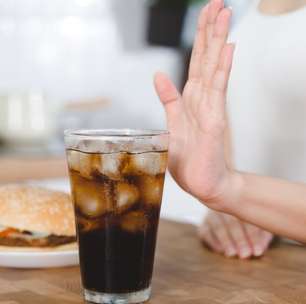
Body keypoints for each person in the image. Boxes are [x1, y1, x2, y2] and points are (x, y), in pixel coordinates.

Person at [154, 0, 306, 257]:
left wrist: (235, 192)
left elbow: (235, 186)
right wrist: (226, 207)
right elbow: (233, 162)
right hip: (263, 263)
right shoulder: (248, 10)